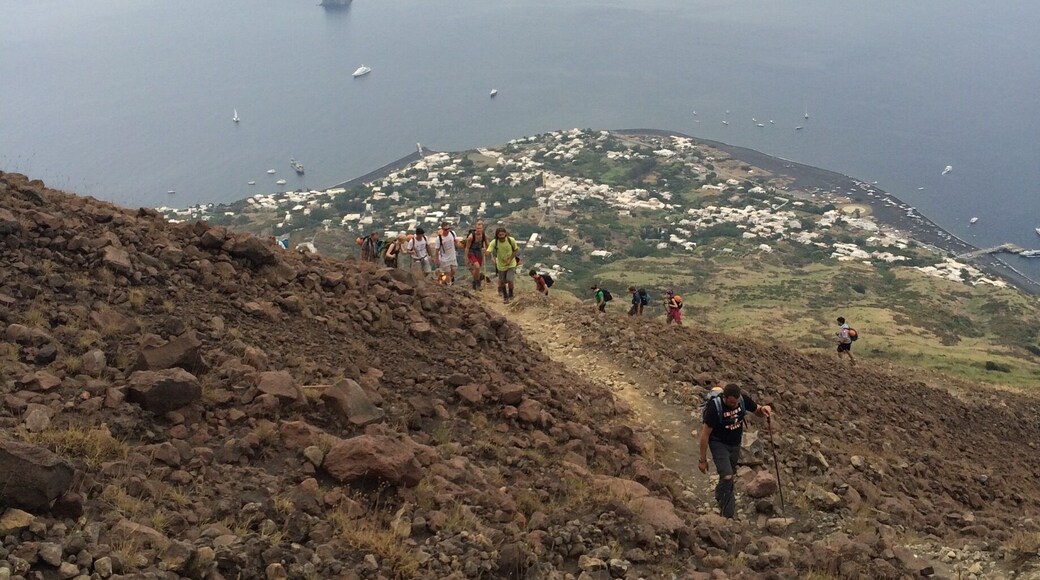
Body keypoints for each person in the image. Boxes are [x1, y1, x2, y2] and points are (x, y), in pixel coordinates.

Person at [698, 383, 773, 518]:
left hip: (735, 444)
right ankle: (727, 514)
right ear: (724, 398)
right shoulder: (714, 408)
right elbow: (705, 435)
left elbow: (757, 410)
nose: (734, 404)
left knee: (729, 474)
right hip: (718, 443)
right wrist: (702, 460)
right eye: (732, 402)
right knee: (727, 476)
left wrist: (764, 409)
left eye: (736, 402)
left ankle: (720, 494)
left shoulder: (742, 400)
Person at [486, 227, 520, 303]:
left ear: (505, 234)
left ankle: (511, 294)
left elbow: (516, 250)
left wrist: (510, 259)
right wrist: (485, 251)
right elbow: (488, 251)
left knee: (509, 279)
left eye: (502, 234)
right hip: (501, 266)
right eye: (499, 235)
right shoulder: (494, 242)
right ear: (497, 235)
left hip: (511, 264)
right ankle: (505, 296)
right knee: (502, 282)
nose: (501, 236)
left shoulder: (511, 240)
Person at [464, 221, 490, 290]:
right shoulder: (471, 237)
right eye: (477, 228)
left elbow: (489, 246)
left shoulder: (484, 235)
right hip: (471, 252)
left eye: (480, 228)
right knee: (477, 267)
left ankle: (475, 283)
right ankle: (478, 284)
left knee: (477, 270)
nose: (479, 230)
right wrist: (466, 257)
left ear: (482, 228)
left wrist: (487, 251)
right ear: (475, 228)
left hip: (479, 253)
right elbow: (467, 247)